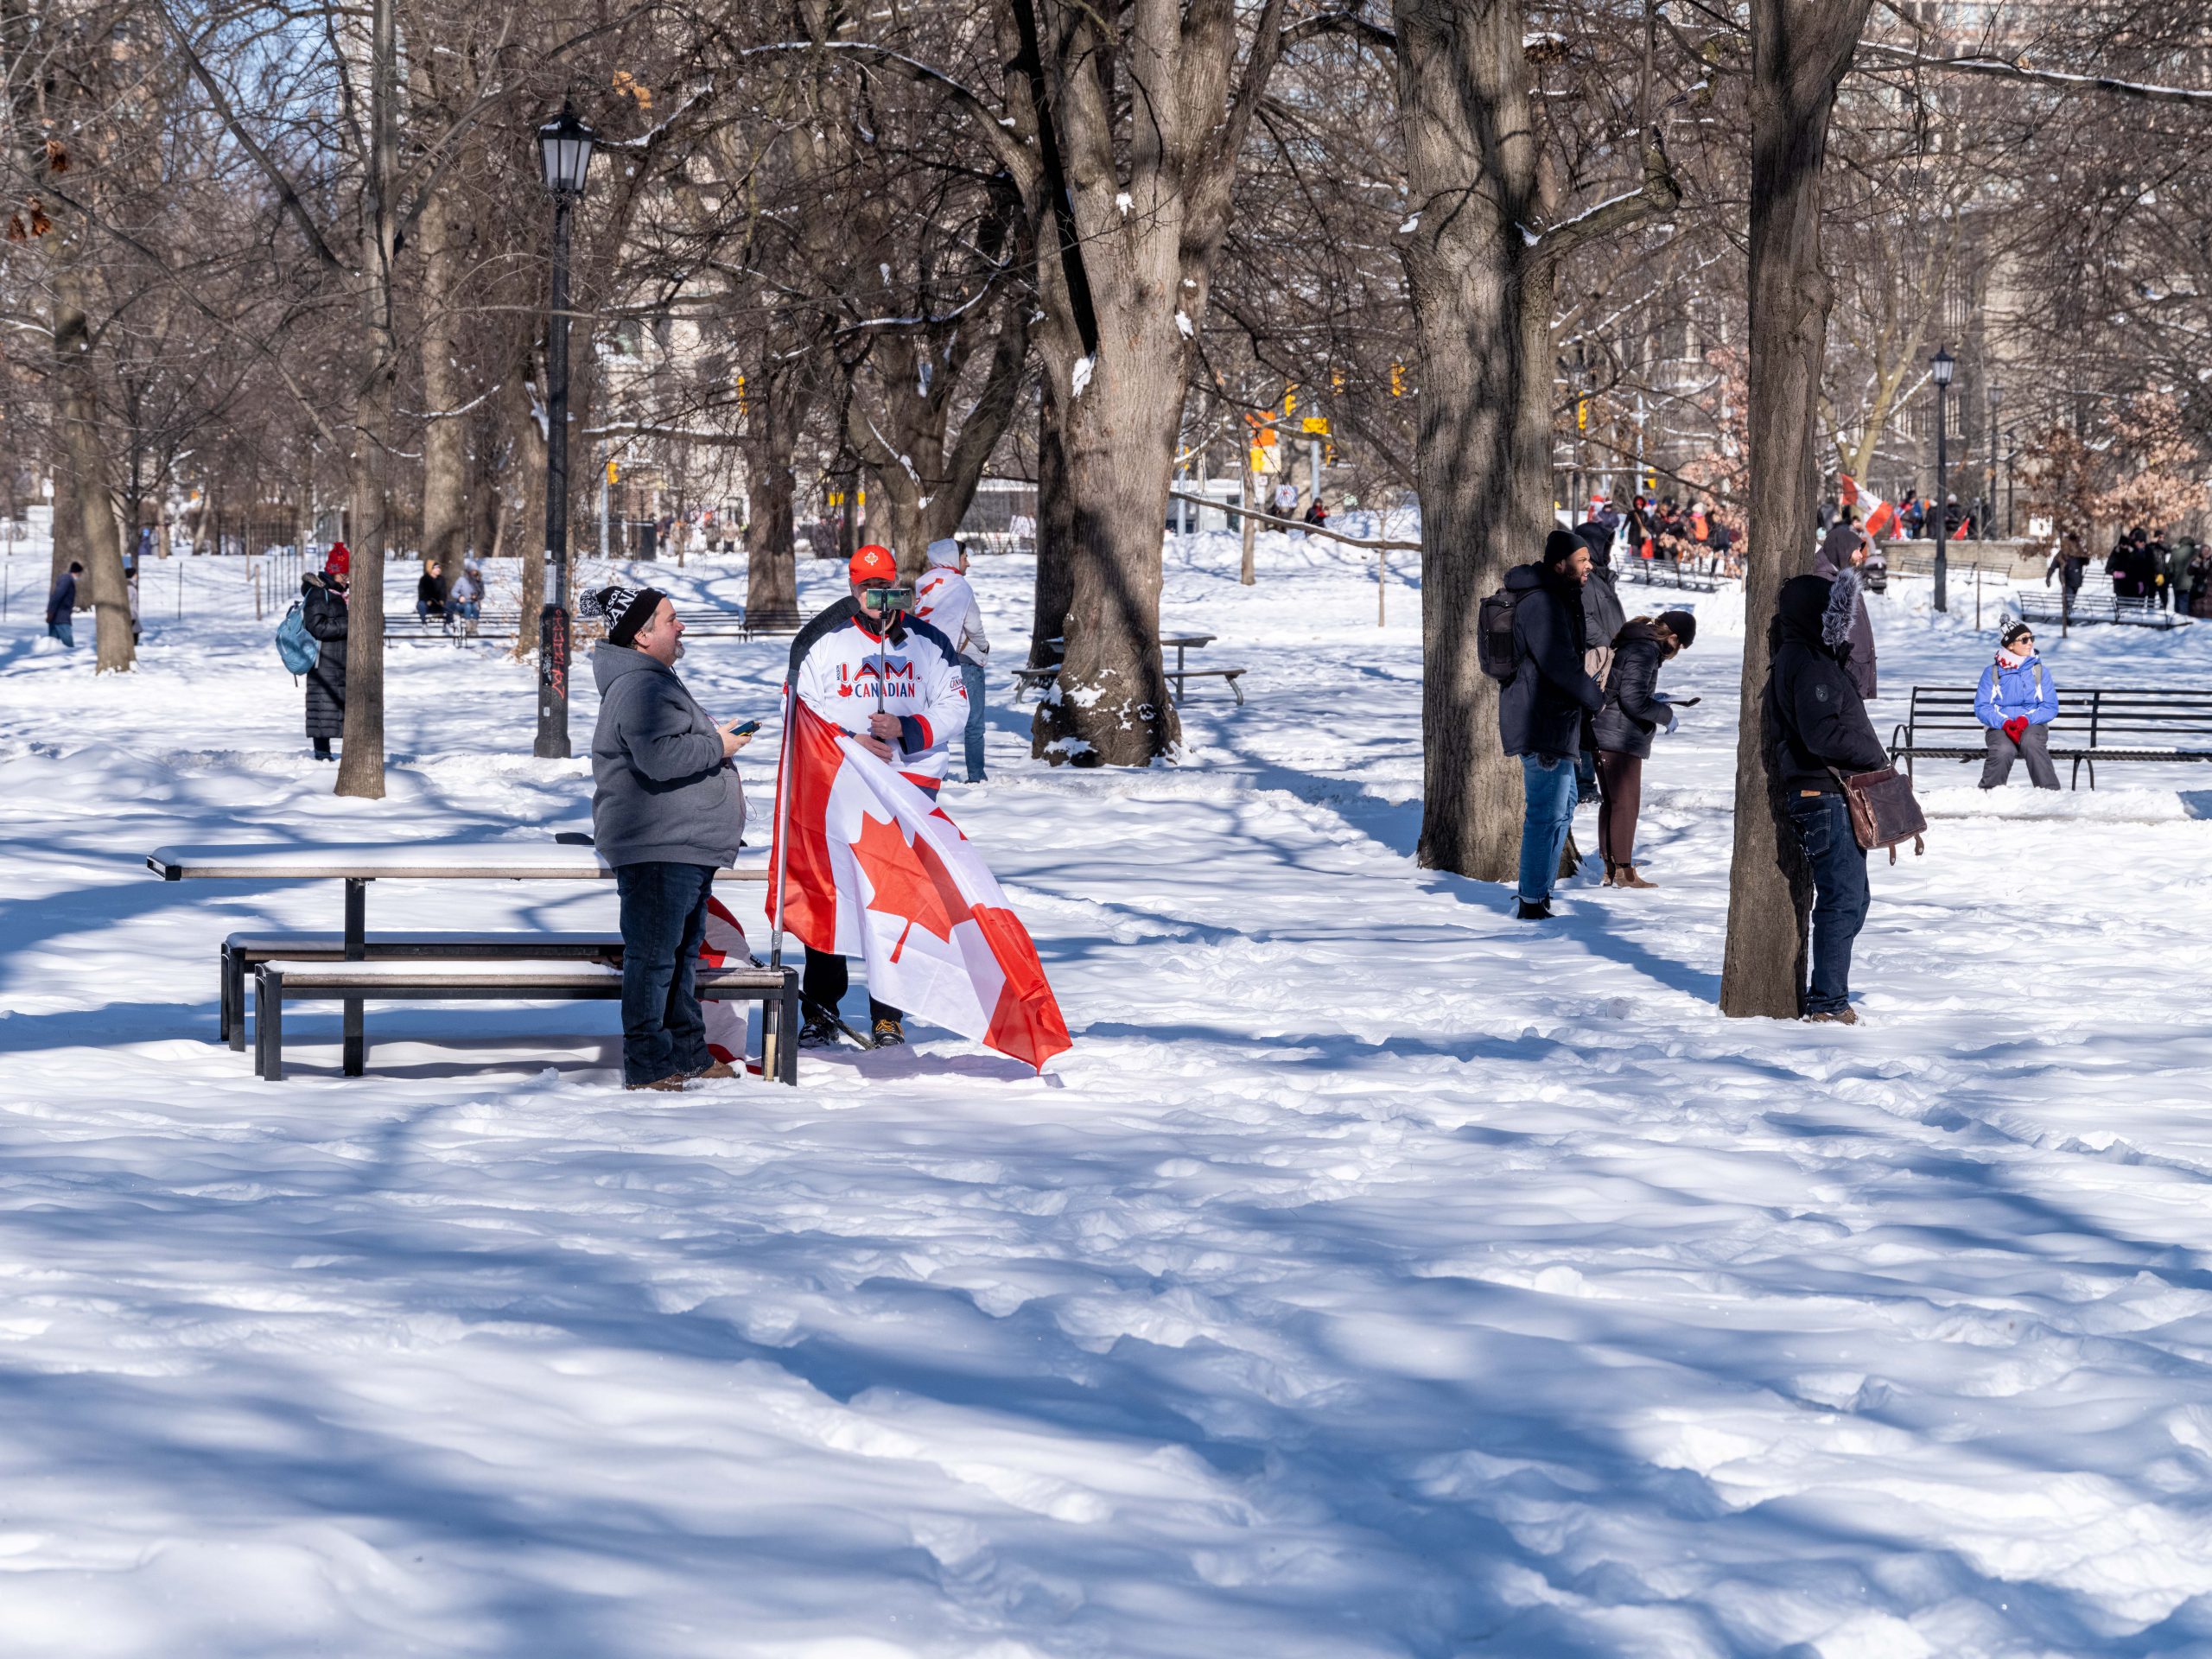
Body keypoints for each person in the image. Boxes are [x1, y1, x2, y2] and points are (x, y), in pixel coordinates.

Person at [787, 543, 969, 1046]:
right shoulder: (823, 640)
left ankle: (889, 1014)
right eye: (867, 589)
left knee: (896, 903)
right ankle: (821, 1010)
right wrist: (852, 741)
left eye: (885, 588)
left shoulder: (929, 642)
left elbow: (956, 708)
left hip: (909, 791)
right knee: (833, 897)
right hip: (841, 786)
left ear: (898, 586)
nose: (877, 599)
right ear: (852, 587)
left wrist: (908, 728)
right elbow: (802, 708)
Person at [588, 583, 751, 1090]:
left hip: (682, 843)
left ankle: (687, 1051)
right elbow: (660, 758)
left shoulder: (653, 680)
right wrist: (719, 744)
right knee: (655, 959)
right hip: (658, 844)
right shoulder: (640, 686)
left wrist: (711, 741)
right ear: (641, 634)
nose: (680, 627)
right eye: (670, 619)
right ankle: (649, 1064)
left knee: (680, 958)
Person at [1766, 569, 1891, 1024]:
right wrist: (1874, 755)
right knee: (1842, 900)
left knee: (1854, 899)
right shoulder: (1809, 663)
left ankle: (1829, 994)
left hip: (1827, 792)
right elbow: (1822, 734)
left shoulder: (1807, 657)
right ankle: (1828, 1003)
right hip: (1824, 792)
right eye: (1834, 615)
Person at [1499, 530, 1605, 919]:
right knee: (1545, 812)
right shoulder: (1541, 603)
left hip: (1556, 721)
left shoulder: (1558, 597)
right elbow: (1558, 663)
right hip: (1539, 723)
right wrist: (1595, 697)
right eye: (1582, 560)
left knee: (1565, 805)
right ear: (1560, 564)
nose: (1589, 565)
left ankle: (1540, 892)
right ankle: (1531, 901)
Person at [1592, 609, 1697, 887]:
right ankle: (1624, 874)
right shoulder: (1644, 650)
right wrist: (1665, 715)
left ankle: (1611, 868)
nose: (1677, 652)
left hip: (1607, 732)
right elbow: (1633, 700)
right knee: (1626, 805)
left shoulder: (1635, 642)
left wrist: (1657, 700)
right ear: (1673, 637)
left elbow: (1629, 690)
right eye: (1680, 646)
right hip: (1620, 736)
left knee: (1613, 803)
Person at [913, 537, 992, 785]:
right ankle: (976, 777)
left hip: (930, 662)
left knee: (938, 720)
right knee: (974, 723)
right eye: (964, 557)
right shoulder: (959, 586)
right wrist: (984, 646)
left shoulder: (923, 584)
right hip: (963, 659)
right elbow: (973, 626)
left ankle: (939, 774)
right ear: (952, 557)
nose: (967, 564)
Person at [1974, 620, 2060, 791]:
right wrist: (2004, 723)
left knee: (2031, 743)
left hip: (2032, 724)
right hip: (1999, 726)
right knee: (2003, 749)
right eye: (2024, 639)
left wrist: (2024, 720)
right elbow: (1982, 707)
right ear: (2010, 645)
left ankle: (2050, 793)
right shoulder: (1993, 672)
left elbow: (2049, 706)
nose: (2030, 643)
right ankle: (1989, 793)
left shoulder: (2039, 671)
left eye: (2031, 638)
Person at [1813, 506, 1878, 700]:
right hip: (1845, 670)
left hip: (1854, 667)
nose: (1860, 555)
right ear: (1842, 551)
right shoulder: (1825, 581)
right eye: (1857, 550)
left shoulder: (1845, 578)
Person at [301, 543, 350, 761]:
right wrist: (350, 624)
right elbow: (317, 626)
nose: (347, 578)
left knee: (340, 707)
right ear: (333, 571)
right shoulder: (319, 594)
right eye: (344, 574)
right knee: (322, 708)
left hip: (340, 660)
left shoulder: (339, 594)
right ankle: (322, 755)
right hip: (323, 661)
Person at [46, 560, 82, 647]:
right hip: (61, 617)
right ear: (76, 572)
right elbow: (57, 596)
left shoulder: (66, 580)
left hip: (57, 617)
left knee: (53, 644)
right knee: (68, 645)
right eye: (80, 574)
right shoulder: (67, 580)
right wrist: (51, 611)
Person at [449, 559, 483, 630]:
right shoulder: (461, 580)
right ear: (468, 571)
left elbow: (482, 594)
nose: (474, 572)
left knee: (476, 606)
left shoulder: (478, 581)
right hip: (462, 604)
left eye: (475, 571)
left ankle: (473, 627)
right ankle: (468, 626)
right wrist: (460, 596)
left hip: (473, 603)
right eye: (472, 571)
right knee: (468, 606)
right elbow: (453, 592)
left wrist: (476, 597)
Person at [416, 559, 444, 626]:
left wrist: (442, 600)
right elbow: (421, 594)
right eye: (436, 568)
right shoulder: (424, 579)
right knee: (420, 604)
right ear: (431, 569)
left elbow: (443, 592)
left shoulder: (441, 579)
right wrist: (427, 600)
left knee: (451, 604)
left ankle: (448, 623)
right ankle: (424, 623)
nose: (438, 569)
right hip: (427, 604)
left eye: (439, 567)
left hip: (438, 604)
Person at [2189, 542, 2212, 620]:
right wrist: (2197, 561)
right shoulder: (2197, 560)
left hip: (2209, 593)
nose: (2206, 552)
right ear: (2201, 551)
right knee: (2196, 616)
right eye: (2204, 550)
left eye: (2208, 551)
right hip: (2197, 593)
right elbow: (2189, 572)